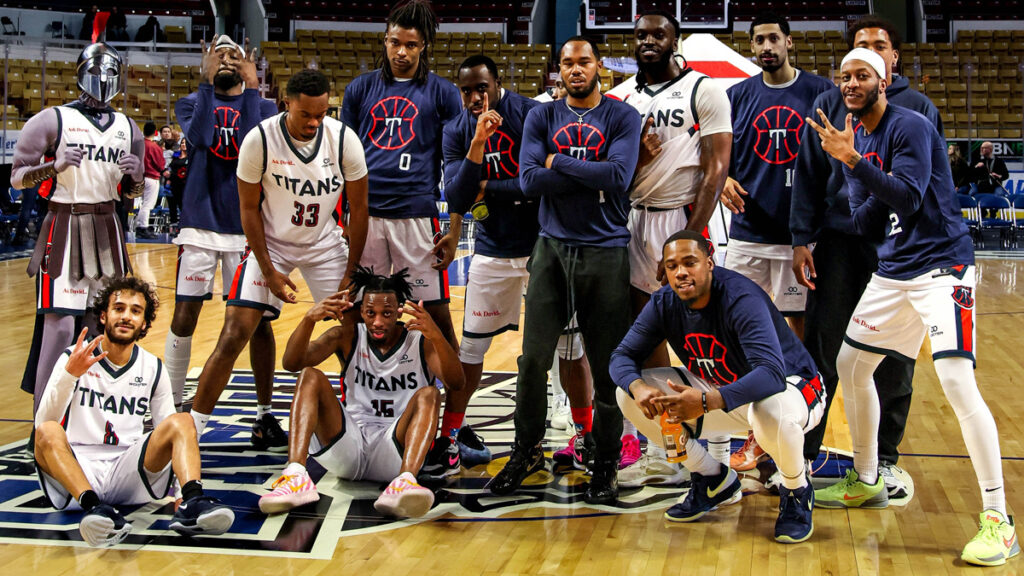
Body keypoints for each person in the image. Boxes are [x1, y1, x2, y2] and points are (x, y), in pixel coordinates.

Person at [807, 48, 1016, 566]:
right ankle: (868, 478)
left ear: (884, 80)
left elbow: (908, 198)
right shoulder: (862, 138)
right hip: (894, 271)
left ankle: (998, 519)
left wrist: (851, 160)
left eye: (861, 76)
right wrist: (849, 167)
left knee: (957, 384)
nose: (850, 84)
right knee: (850, 366)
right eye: (843, 77)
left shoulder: (912, 126)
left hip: (943, 269)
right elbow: (865, 222)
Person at [790, 15, 943, 502]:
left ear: (892, 59)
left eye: (879, 46)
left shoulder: (918, 110)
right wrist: (801, 239)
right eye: (860, 47)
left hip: (896, 248)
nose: (868, 53)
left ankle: (885, 461)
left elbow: (927, 186)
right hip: (838, 244)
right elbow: (809, 175)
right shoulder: (828, 104)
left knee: (895, 357)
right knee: (825, 348)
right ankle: (807, 452)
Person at [487, 37, 641, 504]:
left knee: (607, 363)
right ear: (559, 71)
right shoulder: (542, 115)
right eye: (568, 64)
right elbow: (530, 181)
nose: (576, 70)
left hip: (606, 250)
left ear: (599, 67)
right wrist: (585, 169)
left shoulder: (622, 116)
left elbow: (619, 176)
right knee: (533, 359)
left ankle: (607, 458)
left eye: (585, 62)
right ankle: (527, 448)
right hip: (551, 249)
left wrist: (558, 161)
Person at [188, 69, 369, 449]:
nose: (315, 122)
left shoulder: (343, 140)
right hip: (272, 243)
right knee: (236, 330)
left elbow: (360, 208)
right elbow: (248, 208)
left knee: (356, 329)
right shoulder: (260, 140)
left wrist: (351, 273)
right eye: (307, 114)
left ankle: (361, 422)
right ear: (287, 103)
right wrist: (268, 271)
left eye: (322, 113)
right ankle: (191, 431)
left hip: (325, 245)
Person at [610, 230, 824, 543]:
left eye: (689, 262)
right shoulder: (665, 301)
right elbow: (621, 357)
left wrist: (709, 401)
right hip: (725, 395)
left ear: (710, 262)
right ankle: (711, 477)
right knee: (627, 395)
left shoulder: (740, 298)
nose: (681, 272)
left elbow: (771, 375)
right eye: (672, 266)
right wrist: (639, 387)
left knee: (769, 411)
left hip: (796, 390)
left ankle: (797, 492)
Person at [440, 54, 592, 472]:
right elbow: (457, 196)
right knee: (471, 348)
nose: (475, 97)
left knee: (569, 345)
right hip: (490, 249)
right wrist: (476, 147)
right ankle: (450, 435)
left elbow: (540, 180)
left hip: (543, 245)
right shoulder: (456, 130)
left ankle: (585, 436)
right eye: (467, 90)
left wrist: (487, 185)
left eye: (481, 88)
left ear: (497, 82)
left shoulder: (530, 114)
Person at [605, 9, 732, 486]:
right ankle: (673, 441)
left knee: (701, 332)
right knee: (649, 332)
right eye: (640, 35)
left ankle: (716, 438)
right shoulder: (620, 98)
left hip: (682, 215)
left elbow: (718, 163)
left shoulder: (704, 89)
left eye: (659, 34)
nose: (649, 41)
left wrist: (691, 236)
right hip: (634, 218)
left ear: (674, 40)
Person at [340, 0, 465, 476]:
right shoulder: (359, 89)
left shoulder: (444, 93)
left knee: (435, 319)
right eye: (396, 42)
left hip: (417, 216)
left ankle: (452, 428)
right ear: (384, 41)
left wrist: (453, 229)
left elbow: (455, 167)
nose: (402, 52)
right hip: (366, 217)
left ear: (424, 46)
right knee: (357, 315)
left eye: (412, 45)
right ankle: (356, 408)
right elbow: (343, 159)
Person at [34, 277, 234, 547]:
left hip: (129, 469)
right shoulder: (74, 357)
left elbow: (174, 434)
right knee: (48, 430)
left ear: (144, 322)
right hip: (79, 469)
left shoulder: (153, 367)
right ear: (103, 316)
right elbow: (42, 424)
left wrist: (176, 491)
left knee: (182, 420)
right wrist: (70, 375)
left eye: (135, 311)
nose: (126, 316)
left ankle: (191, 501)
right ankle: (95, 509)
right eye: (119, 308)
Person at [720, 12, 834, 474]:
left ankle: (794, 429)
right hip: (748, 235)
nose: (766, 46)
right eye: (758, 40)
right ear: (752, 48)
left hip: (798, 240)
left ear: (788, 42)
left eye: (773, 38)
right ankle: (755, 429)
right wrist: (723, 175)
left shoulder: (820, 93)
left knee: (795, 337)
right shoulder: (736, 96)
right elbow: (712, 149)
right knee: (740, 332)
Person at [258, 267, 464, 518]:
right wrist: (308, 320)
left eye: (386, 313)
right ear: (362, 312)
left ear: (399, 310)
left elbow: (456, 382)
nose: (377, 321)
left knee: (430, 394)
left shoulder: (420, 341)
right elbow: (291, 363)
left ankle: (406, 480)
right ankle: (295, 475)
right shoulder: (347, 335)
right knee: (309, 376)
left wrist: (438, 337)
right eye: (370, 313)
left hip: (395, 449)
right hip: (348, 443)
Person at [11, 42, 144, 415]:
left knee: (98, 327)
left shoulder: (128, 127)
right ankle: (44, 422)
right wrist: (52, 166)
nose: (102, 80)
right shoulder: (52, 119)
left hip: (108, 226)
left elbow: (131, 192)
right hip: (65, 223)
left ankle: (86, 415)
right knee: (58, 329)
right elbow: (18, 178)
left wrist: (136, 177)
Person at [166, 36, 280, 450]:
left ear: (249, 64)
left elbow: (252, 146)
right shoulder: (191, 103)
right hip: (199, 224)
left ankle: (264, 415)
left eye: (235, 55)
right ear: (207, 62)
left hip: (248, 230)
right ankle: (171, 407)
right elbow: (201, 138)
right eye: (220, 55)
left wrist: (252, 90)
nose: (227, 61)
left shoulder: (265, 109)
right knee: (185, 315)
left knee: (259, 324)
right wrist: (204, 84)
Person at [134, 121, 168, 239]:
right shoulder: (154, 147)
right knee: (148, 204)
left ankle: (141, 226)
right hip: (152, 177)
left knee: (144, 204)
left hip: (139, 177)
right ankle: (142, 227)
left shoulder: (138, 144)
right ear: (155, 132)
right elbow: (160, 164)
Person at [166, 138, 187, 226]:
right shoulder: (175, 156)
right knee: (172, 206)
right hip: (173, 184)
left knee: (183, 207)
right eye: (182, 143)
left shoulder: (191, 157)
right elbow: (170, 168)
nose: (183, 145)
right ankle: (173, 225)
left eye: (185, 143)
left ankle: (184, 226)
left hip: (184, 185)